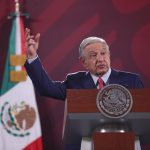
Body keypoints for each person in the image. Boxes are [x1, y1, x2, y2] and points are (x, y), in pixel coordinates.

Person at [24, 28, 144, 101]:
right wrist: (32, 57)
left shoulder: (132, 81)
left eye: (103, 53)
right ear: (83, 62)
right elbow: (46, 89)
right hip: (88, 141)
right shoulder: (75, 82)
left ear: (109, 55)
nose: (100, 59)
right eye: (93, 55)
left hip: (125, 140)